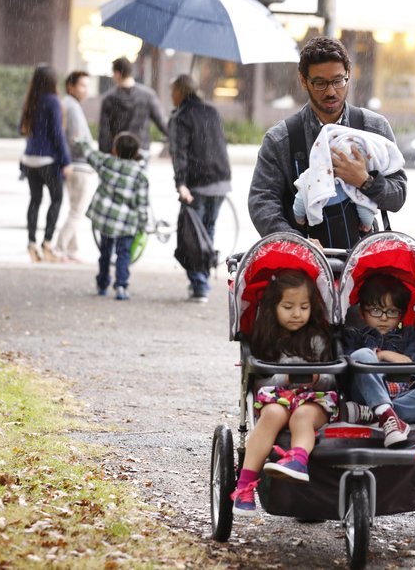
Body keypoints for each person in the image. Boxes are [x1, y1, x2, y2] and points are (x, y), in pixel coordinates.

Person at [249, 36, 407, 249]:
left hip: (364, 259)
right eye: (320, 83)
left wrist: (364, 180)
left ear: (348, 76)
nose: (331, 91)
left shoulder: (373, 128)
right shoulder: (281, 139)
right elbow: (262, 204)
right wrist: (297, 243)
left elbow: (398, 197)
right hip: (301, 265)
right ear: (303, 81)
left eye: (338, 80)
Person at [230, 269, 339, 516]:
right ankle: (245, 484)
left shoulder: (317, 340)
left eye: (303, 307)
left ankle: (297, 460)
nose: (297, 314)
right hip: (277, 395)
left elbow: (331, 379)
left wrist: (317, 377)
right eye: (288, 306)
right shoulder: (267, 339)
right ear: (274, 307)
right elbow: (262, 379)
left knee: (303, 417)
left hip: (313, 398)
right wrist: (285, 378)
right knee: (271, 416)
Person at [342, 273, 415, 447]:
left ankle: (375, 414)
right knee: (362, 356)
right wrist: (380, 355)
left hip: (403, 393)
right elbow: (349, 363)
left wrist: (387, 357)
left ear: (401, 314)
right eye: (375, 310)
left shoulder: (410, 336)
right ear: (362, 312)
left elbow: (412, 365)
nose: (383, 317)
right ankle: (386, 415)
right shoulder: (354, 336)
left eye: (391, 312)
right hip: (363, 394)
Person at [168, 74, 231, 303]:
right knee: (206, 232)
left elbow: (179, 153)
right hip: (220, 180)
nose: (170, 95)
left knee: (190, 236)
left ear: (180, 92)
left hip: (197, 183)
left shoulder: (181, 116)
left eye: (172, 90)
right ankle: (201, 279)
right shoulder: (211, 111)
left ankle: (200, 283)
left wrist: (181, 183)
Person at [291, 125, 404, 236]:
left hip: (315, 244)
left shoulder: (312, 175)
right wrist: (367, 225)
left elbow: (397, 199)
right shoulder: (284, 133)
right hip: (349, 245)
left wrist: (366, 181)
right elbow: (365, 208)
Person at [76, 132, 150, 301]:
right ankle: (121, 286)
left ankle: (102, 284)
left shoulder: (108, 163)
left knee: (105, 252)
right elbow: (142, 203)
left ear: (115, 150)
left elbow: (90, 154)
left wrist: (81, 141)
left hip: (106, 221)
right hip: (127, 223)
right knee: (124, 254)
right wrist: (143, 224)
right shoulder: (140, 176)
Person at [19, 64, 71, 263]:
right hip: (48, 159)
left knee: (35, 201)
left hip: (29, 159)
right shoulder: (52, 101)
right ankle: (47, 243)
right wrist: (66, 160)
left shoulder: (31, 100)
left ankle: (31, 244)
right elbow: (57, 133)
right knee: (56, 200)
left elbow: (21, 128)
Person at [54, 70, 95, 262]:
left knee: (73, 209)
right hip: (79, 165)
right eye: (82, 85)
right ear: (70, 86)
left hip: (71, 165)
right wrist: (93, 156)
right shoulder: (71, 107)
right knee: (77, 211)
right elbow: (76, 138)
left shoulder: (68, 104)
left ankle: (71, 249)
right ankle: (60, 248)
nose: (85, 90)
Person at [98, 57, 168, 163]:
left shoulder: (109, 98)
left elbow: (104, 131)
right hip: (140, 151)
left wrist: (105, 154)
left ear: (117, 73)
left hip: (117, 152)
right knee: (139, 179)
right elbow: (162, 122)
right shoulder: (148, 95)